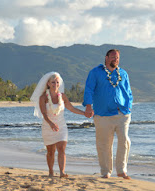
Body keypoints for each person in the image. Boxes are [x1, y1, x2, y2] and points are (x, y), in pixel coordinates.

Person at [83, 49, 133, 179]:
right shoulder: (95, 72)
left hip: (122, 113)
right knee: (104, 144)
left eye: (117, 58)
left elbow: (128, 92)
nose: (115, 60)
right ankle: (106, 172)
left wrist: (129, 105)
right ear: (106, 58)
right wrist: (88, 106)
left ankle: (121, 170)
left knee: (124, 141)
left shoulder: (123, 73)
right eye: (112, 57)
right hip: (102, 114)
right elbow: (89, 89)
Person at [31, 72, 85, 178]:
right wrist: (50, 123)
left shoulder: (63, 96)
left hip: (61, 126)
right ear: (48, 83)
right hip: (48, 126)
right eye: (53, 82)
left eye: (57, 82)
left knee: (62, 148)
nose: (55, 84)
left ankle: (62, 172)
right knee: (51, 151)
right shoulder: (43, 98)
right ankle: (51, 171)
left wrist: (84, 113)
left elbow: (71, 108)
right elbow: (44, 114)